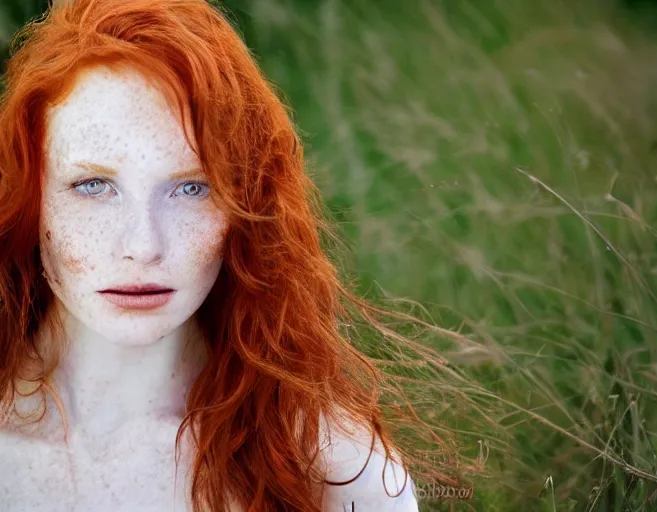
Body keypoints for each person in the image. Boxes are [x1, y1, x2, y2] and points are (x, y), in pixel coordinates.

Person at [0, 0, 474, 510]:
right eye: (93, 185)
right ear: (30, 196)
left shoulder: (340, 473)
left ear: (245, 206)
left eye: (192, 188)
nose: (143, 246)